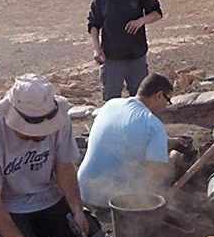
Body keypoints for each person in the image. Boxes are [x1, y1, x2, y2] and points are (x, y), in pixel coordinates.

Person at [0, 74, 100, 237]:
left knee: (91, 230)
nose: (40, 133)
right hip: (8, 204)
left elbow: (64, 167)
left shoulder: (59, 118)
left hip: (47, 197)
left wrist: (77, 209)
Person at [77, 73, 186, 208]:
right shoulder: (153, 125)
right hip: (117, 200)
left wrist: (169, 141)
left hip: (85, 191)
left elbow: (124, 136)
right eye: (167, 100)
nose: (167, 106)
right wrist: (173, 159)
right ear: (158, 95)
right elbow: (156, 175)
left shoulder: (111, 104)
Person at [87, 0, 163, 101]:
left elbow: (157, 13)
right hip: (112, 59)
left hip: (136, 57)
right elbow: (93, 24)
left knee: (141, 101)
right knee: (111, 102)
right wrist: (96, 49)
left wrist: (141, 21)